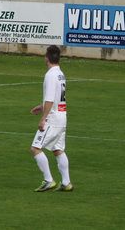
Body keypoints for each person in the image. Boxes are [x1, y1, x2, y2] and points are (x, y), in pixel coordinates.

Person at [29, 45, 72, 192]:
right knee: (58, 149)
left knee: (35, 148)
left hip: (53, 119)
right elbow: (57, 97)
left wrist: (43, 118)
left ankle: (48, 180)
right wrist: (41, 107)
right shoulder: (60, 74)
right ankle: (66, 183)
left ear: (47, 58)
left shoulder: (50, 75)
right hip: (62, 116)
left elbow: (50, 99)